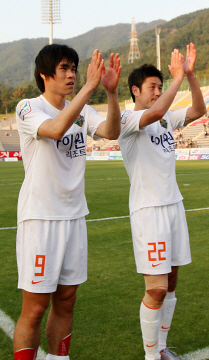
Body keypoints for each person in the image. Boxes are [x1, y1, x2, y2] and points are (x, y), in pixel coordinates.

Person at [13, 44, 121, 360]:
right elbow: (56, 129)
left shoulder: (82, 109)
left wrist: (110, 93)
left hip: (74, 216)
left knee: (67, 299)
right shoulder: (28, 107)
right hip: (40, 218)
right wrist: (90, 86)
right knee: (35, 307)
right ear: (46, 74)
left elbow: (112, 131)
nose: (72, 74)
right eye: (65, 68)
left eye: (74, 68)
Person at [117, 44, 206, 360]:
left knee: (170, 284)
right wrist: (177, 77)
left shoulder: (166, 118)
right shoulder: (128, 118)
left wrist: (191, 76)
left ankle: (162, 347)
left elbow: (198, 111)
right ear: (135, 90)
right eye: (152, 87)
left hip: (173, 206)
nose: (157, 92)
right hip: (148, 211)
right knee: (155, 289)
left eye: (160, 86)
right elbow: (154, 112)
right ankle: (150, 355)